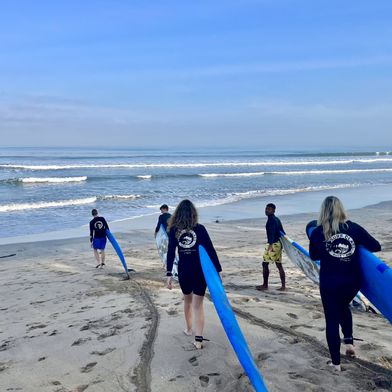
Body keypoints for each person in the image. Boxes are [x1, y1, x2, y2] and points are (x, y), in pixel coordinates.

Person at [309, 196, 381, 372]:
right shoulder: (353, 228)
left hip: (329, 283)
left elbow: (314, 256)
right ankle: (349, 344)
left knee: (332, 320)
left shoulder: (318, 232)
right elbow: (376, 246)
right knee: (343, 306)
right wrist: (356, 247)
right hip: (351, 282)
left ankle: (336, 364)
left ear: (323, 211)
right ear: (341, 209)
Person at [166, 199, 222, 349]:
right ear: (193, 214)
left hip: (184, 271)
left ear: (177, 214)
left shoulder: (174, 231)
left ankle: (189, 329)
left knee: (187, 301)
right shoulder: (200, 229)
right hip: (200, 272)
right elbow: (211, 250)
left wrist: (169, 274)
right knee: (198, 305)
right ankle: (198, 340)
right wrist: (218, 270)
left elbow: (171, 252)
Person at [256, 203, 286, 291]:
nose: (266, 210)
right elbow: (283, 232)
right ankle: (283, 286)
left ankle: (265, 285)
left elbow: (272, 233)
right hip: (278, 244)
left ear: (273, 210)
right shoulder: (276, 219)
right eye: (266, 209)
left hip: (273, 244)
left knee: (265, 263)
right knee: (278, 264)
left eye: (269, 209)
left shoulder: (272, 220)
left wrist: (270, 245)